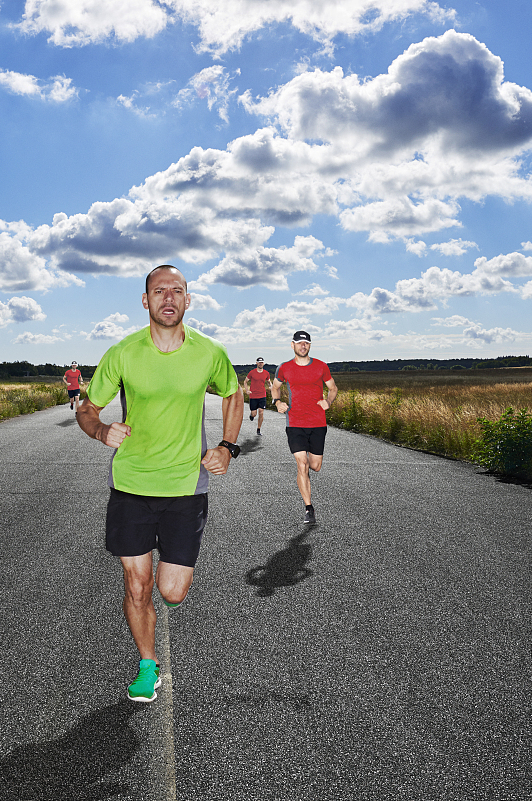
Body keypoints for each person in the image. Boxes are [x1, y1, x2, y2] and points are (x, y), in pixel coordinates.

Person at [77, 265, 243, 703]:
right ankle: (147, 667)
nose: (168, 298)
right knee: (137, 583)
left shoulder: (209, 353)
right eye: (159, 291)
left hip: (187, 487)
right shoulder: (124, 352)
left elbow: (233, 393)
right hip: (131, 484)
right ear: (145, 300)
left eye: (177, 291)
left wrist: (227, 446)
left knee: (172, 590)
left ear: (188, 299)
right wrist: (100, 431)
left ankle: (165, 599)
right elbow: (87, 408)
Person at [271, 330, 337, 524]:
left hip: (317, 422)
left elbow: (333, 388)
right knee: (302, 464)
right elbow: (275, 387)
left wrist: (328, 401)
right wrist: (277, 402)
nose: (303, 346)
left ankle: (306, 474)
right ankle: (309, 508)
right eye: (299, 343)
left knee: (315, 466)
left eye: (306, 343)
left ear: (310, 345)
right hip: (295, 423)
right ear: (292, 345)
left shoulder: (321, 366)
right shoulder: (284, 368)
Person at [243, 357, 271, 436]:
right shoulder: (252, 372)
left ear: (263, 363)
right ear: (256, 363)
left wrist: (270, 386)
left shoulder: (266, 373)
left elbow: (268, 382)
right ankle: (251, 415)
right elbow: (245, 382)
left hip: (262, 395)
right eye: (259, 362)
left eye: (262, 362)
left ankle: (258, 429)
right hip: (253, 396)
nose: (260, 363)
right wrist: (247, 390)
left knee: (261, 412)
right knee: (254, 414)